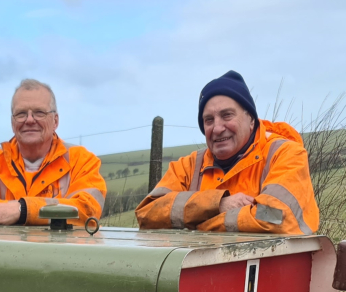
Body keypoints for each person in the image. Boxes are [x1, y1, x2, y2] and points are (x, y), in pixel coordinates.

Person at [136, 70, 319, 234]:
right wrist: (217, 204)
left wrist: (200, 225)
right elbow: (147, 213)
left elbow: (275, 217)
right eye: (208, 120)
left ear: (251, 119)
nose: (217, 128)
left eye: (227, 115)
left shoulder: (285, 154)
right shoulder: (189, 166)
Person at [0, 79, 106, 227]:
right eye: (21, 114)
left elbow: (88, 210)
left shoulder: (81, 160)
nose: (30, 120)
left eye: (39, 113)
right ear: (13, 123)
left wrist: (24, 210)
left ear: (55, 121)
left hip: (62, 250)